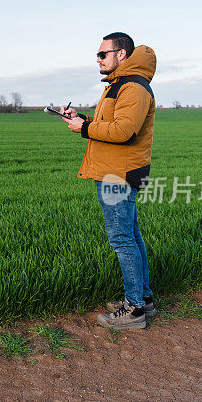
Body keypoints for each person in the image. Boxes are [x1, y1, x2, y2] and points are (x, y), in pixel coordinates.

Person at [59, 32, 157, 330]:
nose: (98, 59)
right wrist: (83, 120)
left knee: (122, 238)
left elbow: (125, 131)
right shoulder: (121, 85)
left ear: (122, 55)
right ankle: (143, 299)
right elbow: (111, 123)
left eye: (103, 54)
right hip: (120, 169)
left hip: (119, 173)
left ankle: (135, 310)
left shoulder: (133, 87)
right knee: (131, 234)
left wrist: (84, 128)